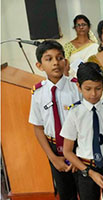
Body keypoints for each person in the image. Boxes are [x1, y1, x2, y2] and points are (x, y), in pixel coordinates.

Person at [61, 62, 103, 200]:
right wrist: (89, 172)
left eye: (98, 88)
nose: (93, 94)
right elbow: (67, 151)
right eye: (88, 89)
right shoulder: (74, 113)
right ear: (79, 86)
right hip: (86, 169)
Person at [28, 40, 80, 200]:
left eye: (59, 58)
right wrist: (52, 158)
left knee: (86, 191)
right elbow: (38, 127)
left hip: (79, 147)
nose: (56, 63)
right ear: (39, 65)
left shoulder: (76, 88)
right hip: (54, 149)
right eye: (49, 59)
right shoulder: (38, 93)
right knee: (65, 194)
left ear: (65, 61)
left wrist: (78, 154)